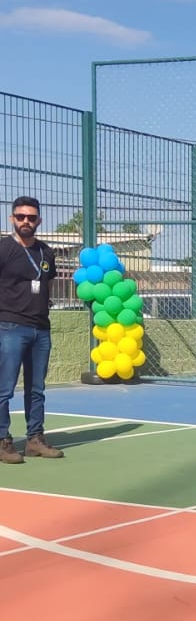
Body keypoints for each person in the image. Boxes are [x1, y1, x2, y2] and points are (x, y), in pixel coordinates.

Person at [0, 196, 64, 464]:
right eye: (20, 217)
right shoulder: (4, 249)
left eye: (31, 217)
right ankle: (2, 441)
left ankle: (35, 439)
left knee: (37, 389)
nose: (26, 221)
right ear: (12, 219)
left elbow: (46, 282)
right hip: (10, 327)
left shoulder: (46, 252)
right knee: (4, 388)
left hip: (41, 330)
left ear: (39, 220)